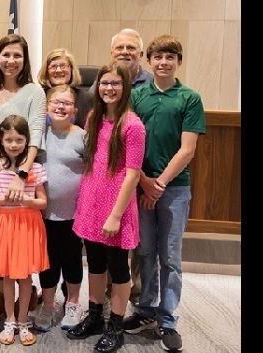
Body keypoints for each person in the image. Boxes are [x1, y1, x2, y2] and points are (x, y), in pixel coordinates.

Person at [122, 35, 205, 353]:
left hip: (175, 189)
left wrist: (159, 185)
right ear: (149, 61)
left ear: (179, 62)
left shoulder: (190, 97)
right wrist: (144, 181)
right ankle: (145, 310)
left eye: (171, 57)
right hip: (140, 186)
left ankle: (168, 319)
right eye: (158, 57)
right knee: (144, 252)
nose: (164, 62)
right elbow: (129, 144)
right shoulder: (137, 95)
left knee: (170, 257)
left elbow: (188, 150)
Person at [65, 62, 146, 353]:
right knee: (95, 263)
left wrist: (115, 214)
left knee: (119, 267)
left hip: (116, 207)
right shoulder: (94, 118)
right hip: (91, 201)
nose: (109, 88)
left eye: (115, 83)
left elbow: (133, 174)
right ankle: (96, 315)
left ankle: (116, 326)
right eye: (104, 83)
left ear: (125, 88)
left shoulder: (133, 125)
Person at [0, 34, 46, 322]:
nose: (10, 61)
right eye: (5, 55)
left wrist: (22, 174)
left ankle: (20, 300)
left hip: (20, 180)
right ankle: (4, 298)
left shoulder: (33, 92)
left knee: (20, 243)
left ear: (25, 59)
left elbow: (36, 134)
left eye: (17, 55)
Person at [95, 28, 153, 304]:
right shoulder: (101, 96)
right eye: (120, 48)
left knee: (138, 245)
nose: (125, 52)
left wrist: (143, 179)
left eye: (131, 48)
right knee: (110, 246)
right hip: (114, 182)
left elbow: (139, 140)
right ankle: (108, 299)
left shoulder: (152, 88)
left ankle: (137, 300)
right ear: (111, 53)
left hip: (143, 177)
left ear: (141, 54)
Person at [0, 115, 49, 346]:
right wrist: (5, 199)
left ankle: (23, 320)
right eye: (8, 139)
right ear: (1, 140)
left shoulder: (35, 168)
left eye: (19, 140)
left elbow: (43, 202)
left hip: (28, 226)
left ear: (27, 141)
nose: (13, 144)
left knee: (25, 276)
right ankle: (9, 319)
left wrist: (26, 200)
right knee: (8, 276)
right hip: (5, 224)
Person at [33, 85, 86, 332]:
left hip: (76, 215)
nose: (60, 107)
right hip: (45, 213)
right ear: (47, 106)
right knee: (48, 262)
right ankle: (48, 304)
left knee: (72, 260)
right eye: (56, 102)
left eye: (66, 103)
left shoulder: (83, 136)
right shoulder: (39, 135)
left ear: (74, 109)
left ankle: (73, 304)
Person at [38, 48, 93, 129]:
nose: (58, 70)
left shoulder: (88, 99)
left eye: (63, 66)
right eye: (53, 66)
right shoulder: (39, 97)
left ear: (71, 69)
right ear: (46, 71)